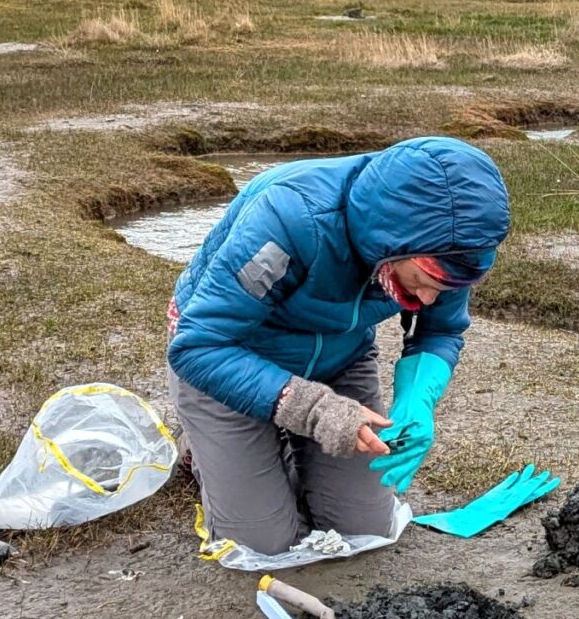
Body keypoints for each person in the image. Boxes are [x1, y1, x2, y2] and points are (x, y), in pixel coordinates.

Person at [165, 136, 510, 561]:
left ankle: (279, 441)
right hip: (231, 357)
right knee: (262, 545)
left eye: (447, 287)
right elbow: (199, 345)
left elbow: (440, 330)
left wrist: (417, 400)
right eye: (427, 279)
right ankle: (205, 450)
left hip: (337, 359)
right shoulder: (290, 217)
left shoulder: (448, 249)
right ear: (390, 240)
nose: (432, 297)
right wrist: (315, 410)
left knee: (365, 530)